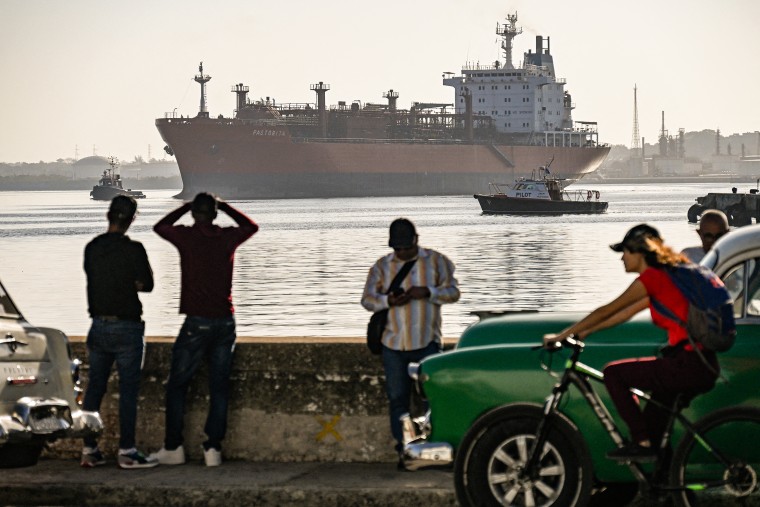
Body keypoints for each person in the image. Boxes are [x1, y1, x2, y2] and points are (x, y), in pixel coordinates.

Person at [544, 224, 720, 462]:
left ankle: (641, 442)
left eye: (625, 252)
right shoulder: (669, 276)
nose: (622, 259)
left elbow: (607, 309)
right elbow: (624, 314)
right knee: (655, 424)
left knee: (614, 374)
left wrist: (560, 336)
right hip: (698, 363)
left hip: (687, 363)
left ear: (640, 252)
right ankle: (665, 487)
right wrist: (587, 332)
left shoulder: (654, 278)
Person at [151, 193, 258, 467]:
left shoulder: (186, 237)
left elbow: (160, 227)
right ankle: (213, 449)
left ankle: (174, 447)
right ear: (214, 214)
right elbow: (251, 227)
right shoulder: (226, 237)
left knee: (177, 385)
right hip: (225, 321)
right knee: (219, 387)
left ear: (193, 214)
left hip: (196, 321)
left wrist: (185, 207)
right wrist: (226, 207)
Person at [361, 218, 460, 467]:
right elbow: (367, 300)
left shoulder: (438, 262)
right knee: (398, 401)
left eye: (406, 247)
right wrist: (389, 301)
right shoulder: (382, 267)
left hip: (427, 342)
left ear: (416, 240)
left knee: (431, 399)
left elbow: (453, 293)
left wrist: (428, 292)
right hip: (393, 345)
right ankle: (407, 450)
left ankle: (431, 450)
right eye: (398, 249)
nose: (402, 253)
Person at [81, 195, 158, 469]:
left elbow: (94, 276)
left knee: (94, 389)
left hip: (98, 325)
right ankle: (127, 450)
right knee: (128, 391)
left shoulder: (92, 248)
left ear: (108, 216)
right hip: (127, 327)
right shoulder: (134, 249)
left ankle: (89, 449)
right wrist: (129, 283)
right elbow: (147, 285)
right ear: (133, 219)